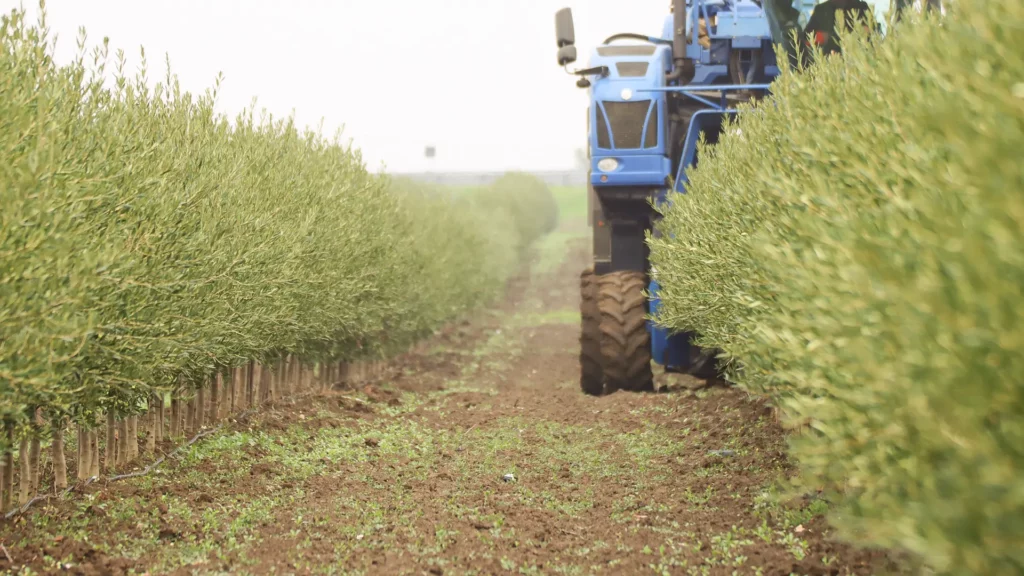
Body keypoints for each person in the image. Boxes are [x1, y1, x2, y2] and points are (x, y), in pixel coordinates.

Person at [802, 0, 878, 59]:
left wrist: (853, 36)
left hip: (856, 58)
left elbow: (871, 31)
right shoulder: (821, 9)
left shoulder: (860, 7)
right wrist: (822, 37)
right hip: (828, 61)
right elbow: (807, 36)